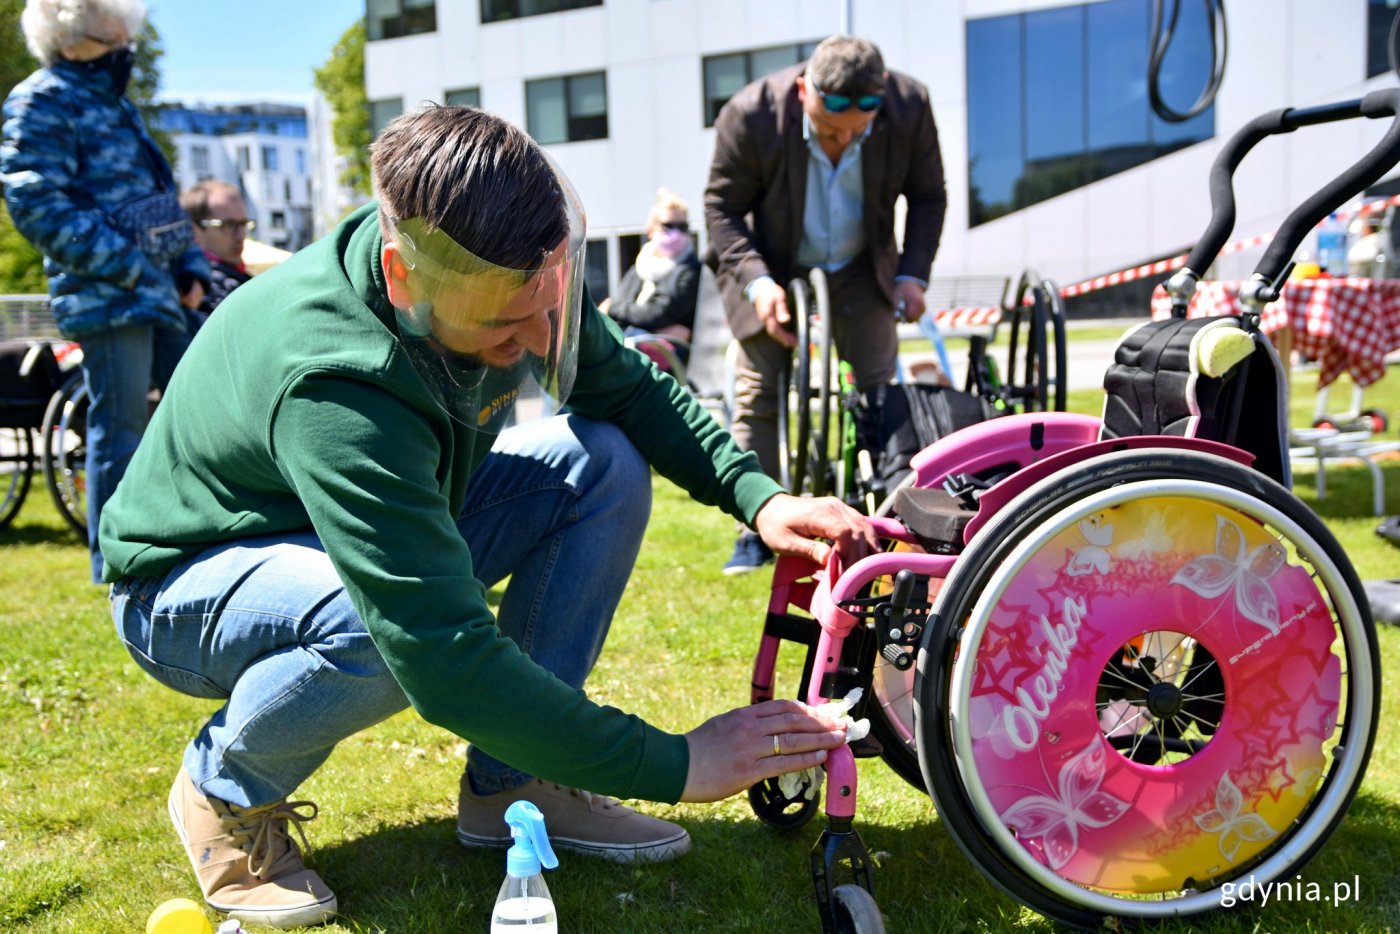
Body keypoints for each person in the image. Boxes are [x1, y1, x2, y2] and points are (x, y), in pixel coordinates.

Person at [99, 104, 875, 929]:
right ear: (402, 280)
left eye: (549, 311)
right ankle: (225, 787)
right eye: (510, 327)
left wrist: (759, 496)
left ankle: (511, 783)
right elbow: (439, 652)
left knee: (601, 462)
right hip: (183, 581)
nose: (541, 338)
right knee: (377, 624)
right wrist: (679, 764)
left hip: (351, 530)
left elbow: (630, 390)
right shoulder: (337, 379)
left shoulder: (498, 268)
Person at [704, 34, 947, 573]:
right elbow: (721, 206)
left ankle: (887, 525)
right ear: (802, 91)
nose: (842, 141)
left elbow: (929, 195)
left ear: (879, 101)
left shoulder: (909, 107)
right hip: (772, 265)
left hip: (863, 267)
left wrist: (911, 274)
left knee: (880, 393)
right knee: (758, 394)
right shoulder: (749, 115)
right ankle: (755, 528)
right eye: (830, 130)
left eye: (856, 133)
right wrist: (757, 282)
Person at [1, 0, 209, 580]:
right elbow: (35, 203)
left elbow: (160, 197)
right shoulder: (40, 100)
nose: (125, 50)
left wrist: (188, 264)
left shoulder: (114, 102)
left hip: (162, 293)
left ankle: (191, 534)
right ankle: (115, 561)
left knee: (203, 410)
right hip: (109, 298)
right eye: (110, 38)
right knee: (119, 426)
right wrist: (133, 267)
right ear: (71, 42)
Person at [601, 187, 701, 362]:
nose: (675, 233)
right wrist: (655, 330)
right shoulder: (640, 266)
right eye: (668, 226)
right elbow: (620, 313)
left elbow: (659, 312)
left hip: (670, 358)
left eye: (682, 227)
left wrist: (613, 307)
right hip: (632, 346)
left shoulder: (690, 270)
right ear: (651, 229)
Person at [180, 179, 254, 321]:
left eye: (243, 224)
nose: (240, 235)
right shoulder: (196, 288)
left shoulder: (236, 277)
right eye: (228, 225)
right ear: (194, 230)